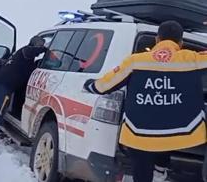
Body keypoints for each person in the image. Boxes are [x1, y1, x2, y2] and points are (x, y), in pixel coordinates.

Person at [84, 20, 207, 182]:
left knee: (142, 158)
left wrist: (90, 85)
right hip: (181, 132)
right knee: (166, 134)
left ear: (157, 40)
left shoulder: (136, 61)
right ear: (181, 43)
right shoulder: (192, 59)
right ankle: (161, 167)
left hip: (139, 133)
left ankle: (153, 172)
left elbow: (105, 86)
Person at [0, 35, 47, 159]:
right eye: (40, 45)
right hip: (3, 87)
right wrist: (46, 49)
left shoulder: (23, 58)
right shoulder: (25, 51)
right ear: (34, 45)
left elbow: (28, 69)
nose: (40, 47)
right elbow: (30, 51)